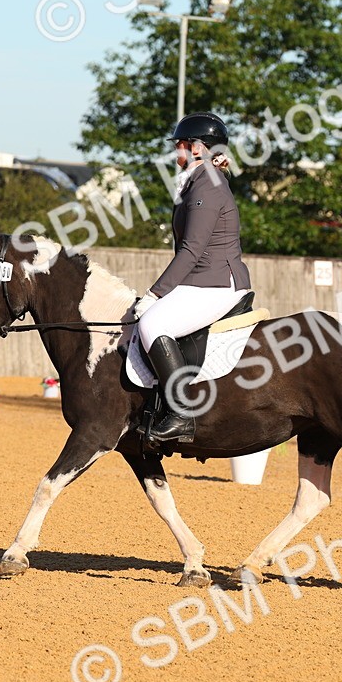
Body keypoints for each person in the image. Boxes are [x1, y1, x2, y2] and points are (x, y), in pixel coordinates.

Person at [133, 112, 252, 444]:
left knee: (152, 324)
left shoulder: (208, 184)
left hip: (216, 282)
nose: (176, 152)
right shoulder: (201, 180)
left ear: (197, 148)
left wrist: (155, 294)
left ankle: (181, 413)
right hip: (202, 279)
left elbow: (191, 249)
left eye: (181, 145)